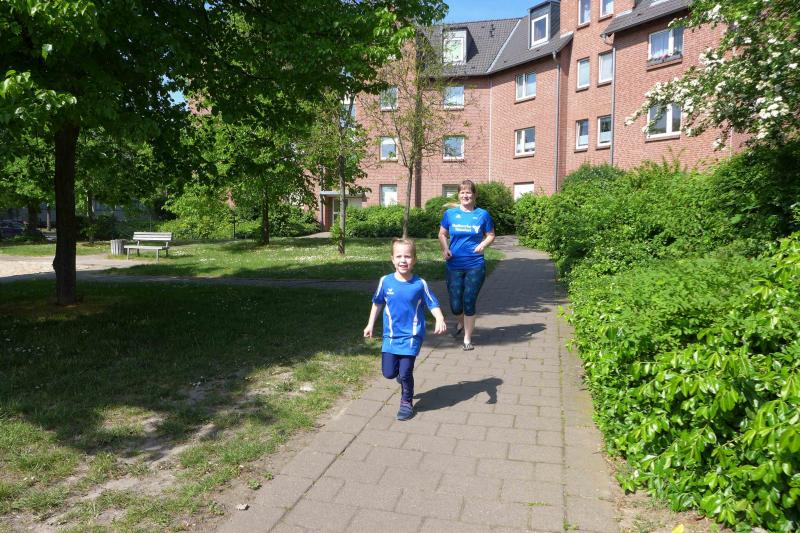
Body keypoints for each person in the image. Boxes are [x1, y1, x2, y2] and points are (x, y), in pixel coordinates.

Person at [364, 238, 447, 420]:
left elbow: (432, 303)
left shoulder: (419, 284)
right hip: (391, 336)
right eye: (399, 256)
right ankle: (400, 376)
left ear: (414, 259)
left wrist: (439, 318)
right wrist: (370, 324)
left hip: (412, 336)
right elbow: (377, 303)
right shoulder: (385, 281)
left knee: (406, 372)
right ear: (392, 259)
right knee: (389, 373)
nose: (403, 260)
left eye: (407, 256)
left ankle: (406, 402)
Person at [438, 179, 495, 351]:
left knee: (469, 300)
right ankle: (461, 322)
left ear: (474, 195)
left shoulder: (482, 214)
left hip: (475, 264)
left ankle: (467, 339)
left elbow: (491, 234)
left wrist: (483, 245)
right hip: (454, 264)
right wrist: (445, 248)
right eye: (462, 192)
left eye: (468, 192)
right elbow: (442, 234)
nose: (465, 195)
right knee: (456, 305)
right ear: (458, 195)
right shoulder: (450, 214)